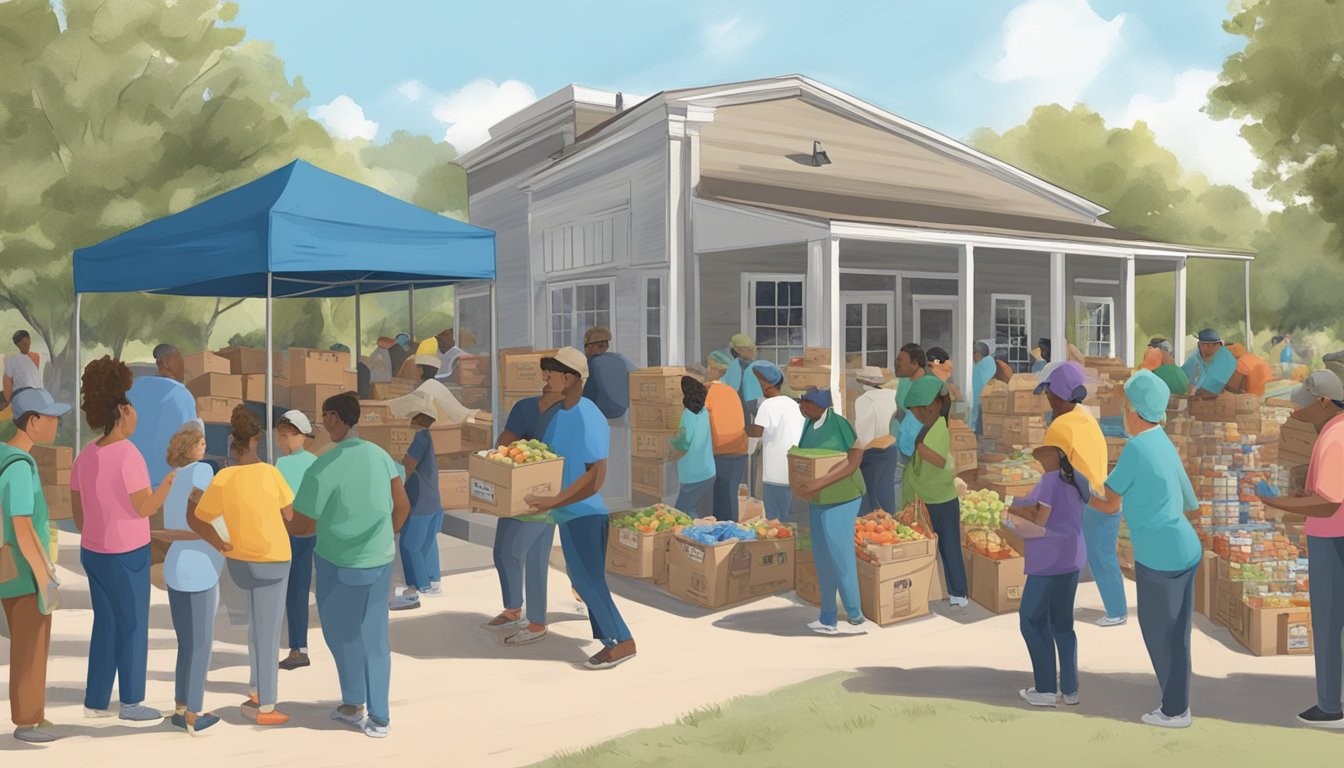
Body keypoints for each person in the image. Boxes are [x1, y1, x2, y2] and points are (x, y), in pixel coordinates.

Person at [291, 394, 410, 738]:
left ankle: (354, 701)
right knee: (374, 637)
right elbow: (402, 505)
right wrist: (386, 536)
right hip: (379, 560)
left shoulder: (323, 465)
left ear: (342, 419)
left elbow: (302, 525)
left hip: (336, 562)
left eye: (328, 415)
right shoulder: (381, 457)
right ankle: (379, 716)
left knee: (340, 634)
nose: (324, 422)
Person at [1089, 370, 1201, 729]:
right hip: (1185, 548)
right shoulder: (1163, 441)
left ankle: (1173, 711)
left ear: (1135, 411)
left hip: (1159, 556)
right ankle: (1178, 704)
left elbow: (1109, 503)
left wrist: (1078, 494)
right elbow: (1189, 500)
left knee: (1158, 635)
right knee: (1178, 634)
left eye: (1125, 407)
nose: (1123, 413)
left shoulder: (1136, 447)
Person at [71, 356, 175, 723]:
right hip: (127, 552)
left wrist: (98, 532)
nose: (135, 414)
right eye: (131, 407)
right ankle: (131, 702)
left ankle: (96, 701)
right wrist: (168, 483)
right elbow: (144, 507)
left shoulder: (85, 456)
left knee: (106, 624)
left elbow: (78, 511)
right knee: (132, 625)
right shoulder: (128, 455)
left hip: (94, 552)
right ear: (121, 409)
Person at [523, 347, 637, 669]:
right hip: (566, 513)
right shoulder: (560, 416)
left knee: (588, 582)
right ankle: (609, 639)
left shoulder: (589, 415)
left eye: (551, 373)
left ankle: (623, 641)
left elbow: (595, 477)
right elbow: (549, 460)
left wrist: (554, 501)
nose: (545, 379)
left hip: (585, 514)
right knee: (582, 579)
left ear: (571, 378)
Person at [189, 406, 293, 726]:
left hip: (238, 562)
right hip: (273, 560)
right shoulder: (272, 473)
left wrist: (219, 543)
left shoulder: (223, 478)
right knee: (269, 629)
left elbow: (198, 518)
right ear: (257, 440)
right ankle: (265, 707)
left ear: (232, 440)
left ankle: (255, 686)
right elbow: (289, 515)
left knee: (255, 624)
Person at [1260, 371, 1344, 729]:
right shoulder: (1333, 430)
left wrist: (1276, 502)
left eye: (1305, 403)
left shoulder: (1335, 436)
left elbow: (1328, 504)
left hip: (1331, 538)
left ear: (1324, 402)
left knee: (1327, 625)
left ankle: (1329, 706)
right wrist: (1302, 497)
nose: (1299, 409)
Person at [0, 388, 69, 743]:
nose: (57, 423)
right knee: (30, 645)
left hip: (11, 569)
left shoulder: (4, 456)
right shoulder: (20, 466)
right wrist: (45, 576)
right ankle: (26, 721)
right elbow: (23, 526)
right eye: (51, 417)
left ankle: (35, 715)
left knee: (34, 643)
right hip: (24, 573)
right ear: (32, 422)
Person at [1036, 362, 1125, 627]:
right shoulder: (1086, 417)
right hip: (1102, 495)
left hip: (1080, 502)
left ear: (1059, 394)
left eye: (1049, 393)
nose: (1048, 399)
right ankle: (1117, 610)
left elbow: (1051, 471)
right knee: (1103, 557)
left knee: (1063, 556)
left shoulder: (1060, 427)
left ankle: (1057, 610)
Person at [1004, 443, 1088, 708]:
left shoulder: (1050, 479)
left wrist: (1014, 508)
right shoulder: (1077, 479)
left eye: (1041, 451)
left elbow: (1040, 518)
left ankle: (1045, 689)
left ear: (1056, 453)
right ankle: (1070, 689)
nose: (1036, 455)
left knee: (1030, 620)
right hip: (1071, 557)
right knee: (1062, 624)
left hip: (1049, 559)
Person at [484, 386, 563, 644]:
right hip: (518, 488)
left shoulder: (570, 412)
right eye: (547, 375)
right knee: (506, 552)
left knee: (528, 556)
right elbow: (503, 441)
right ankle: (515, 610)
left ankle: (533, 620)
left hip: (549, 492)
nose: (549, 381)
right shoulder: (525, 407)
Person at [158, 423, 223, 734]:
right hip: (199, 565)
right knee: (201, 644)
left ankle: (181, 705)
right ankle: (195, 713)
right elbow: (205, 515)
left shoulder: (173, 477)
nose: (204, 445)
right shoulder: (201, 473)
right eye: (200, 442)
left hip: (175, 563)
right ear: (190, 447)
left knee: (186, 643)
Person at [795, 388, 867, 634]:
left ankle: (855, 616)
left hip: (842, 497)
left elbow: (855, 458)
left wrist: (819, 483)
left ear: (820, 405)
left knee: (840, 556)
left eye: (806, 403)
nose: (802, 406)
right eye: (801, 402)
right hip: (818, 499)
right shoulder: (808, 424)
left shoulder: (839, 424)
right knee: (822, 557)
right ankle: (828, 617)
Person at [900, 375, 970, 610]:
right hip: (926, 498)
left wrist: (919, 447)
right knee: (929, 549)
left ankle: (958, 594)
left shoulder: (938, 428)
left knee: (947, 548)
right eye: (916, 410)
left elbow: (939, 461)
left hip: (937, 500)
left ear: (938, 405)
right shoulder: (930, 427)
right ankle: (928, 594)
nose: (919, 414)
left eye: (923, 409)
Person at [276, 411, 319, 671]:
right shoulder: (311, 462)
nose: (281, 441)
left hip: (291, 532)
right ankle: (298, 646)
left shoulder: (283, 465)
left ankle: (297, 647)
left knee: (293, 591)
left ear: (301, 436)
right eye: (280, 436)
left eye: (285, 436)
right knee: (297, 591)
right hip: (306, 531)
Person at [390, 405, 442, 612]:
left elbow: (409, 464)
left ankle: (419, 585)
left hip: (419, 502)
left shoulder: (421, 437)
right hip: (432, 501)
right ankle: (433, 580)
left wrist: (398, 485)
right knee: (428, 543)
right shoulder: (433, 439)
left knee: (410, 544)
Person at [126, 343, 198, 487]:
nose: (184, 368)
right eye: (181, 361)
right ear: (167, 363)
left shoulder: (134, 387)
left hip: (131, 481)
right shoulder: (181, 395)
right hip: (163, 486)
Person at [583, 326, 636, 505]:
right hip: (622, 416)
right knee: (618, 457)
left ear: (594, 347)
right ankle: (620, 496)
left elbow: (587, 396)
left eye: (588, 347)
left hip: (601, 418)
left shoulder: (592, 364)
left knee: (599, 458)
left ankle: (603, 496)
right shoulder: (620, 360)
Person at [746, 362, 805, 522]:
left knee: (773, 521)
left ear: (767, 384)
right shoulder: (793, 405)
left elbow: (756, 433)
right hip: (792, 472)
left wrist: (740, 430)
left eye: (760, 383)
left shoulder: (767, 405)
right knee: (789, 520)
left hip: (774, 474)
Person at [705, 352, 748, 521]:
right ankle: (730, 532)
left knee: (721, 499)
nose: (707, 370)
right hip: (739, 449)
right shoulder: (731, 391)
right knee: (729, 495)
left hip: (721, 450)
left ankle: (726, 537)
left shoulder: (707, 391)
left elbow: (702, 421)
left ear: (715, 369)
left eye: (708, 366)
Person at [852, 367, 899, 514]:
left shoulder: (864, 400)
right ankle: (890, 525)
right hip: (891, 447)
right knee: (886, 490)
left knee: (869, 493)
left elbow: (864, 433)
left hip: (871, 451)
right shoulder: (894, 395)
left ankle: (871, 529)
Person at [672, 377, 715, 516]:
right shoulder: (704, 412)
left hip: (693, 475)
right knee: (693, 511)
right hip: (707, 471)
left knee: (681, 513)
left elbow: (682, 444)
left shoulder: (688, 415)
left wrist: (669, 447)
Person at [1182, 329, 1237, 397]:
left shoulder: (1225, 358)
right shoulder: (1196, 357)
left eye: (1215, 344)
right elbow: (1183, 378)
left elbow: (1212, 389)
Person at [4, 330, 43, 404]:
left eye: (26, 343)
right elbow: (7, 382)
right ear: (17, 345)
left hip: (36, 394)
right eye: (21, 344)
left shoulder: (36, 357)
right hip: (20, 395)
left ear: (29, 341)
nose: (25, 346)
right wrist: (10, 402)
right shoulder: (11, 360)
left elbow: (35, 378)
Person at [969, 340, 998, 435]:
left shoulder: (985, 365)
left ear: (978, 353)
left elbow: (982, 385)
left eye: (973, 353)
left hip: (983, 404)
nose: (972, 356)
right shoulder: (986, 364)